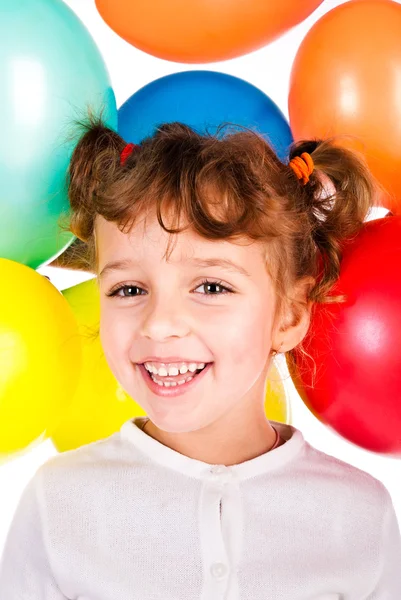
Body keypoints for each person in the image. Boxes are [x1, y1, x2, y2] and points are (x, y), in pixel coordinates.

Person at [1, 116, 400, 599]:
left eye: (211, 286)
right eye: (129, 288)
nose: (159, 323)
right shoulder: (57, 506)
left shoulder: (358, 517)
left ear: (290, 315)